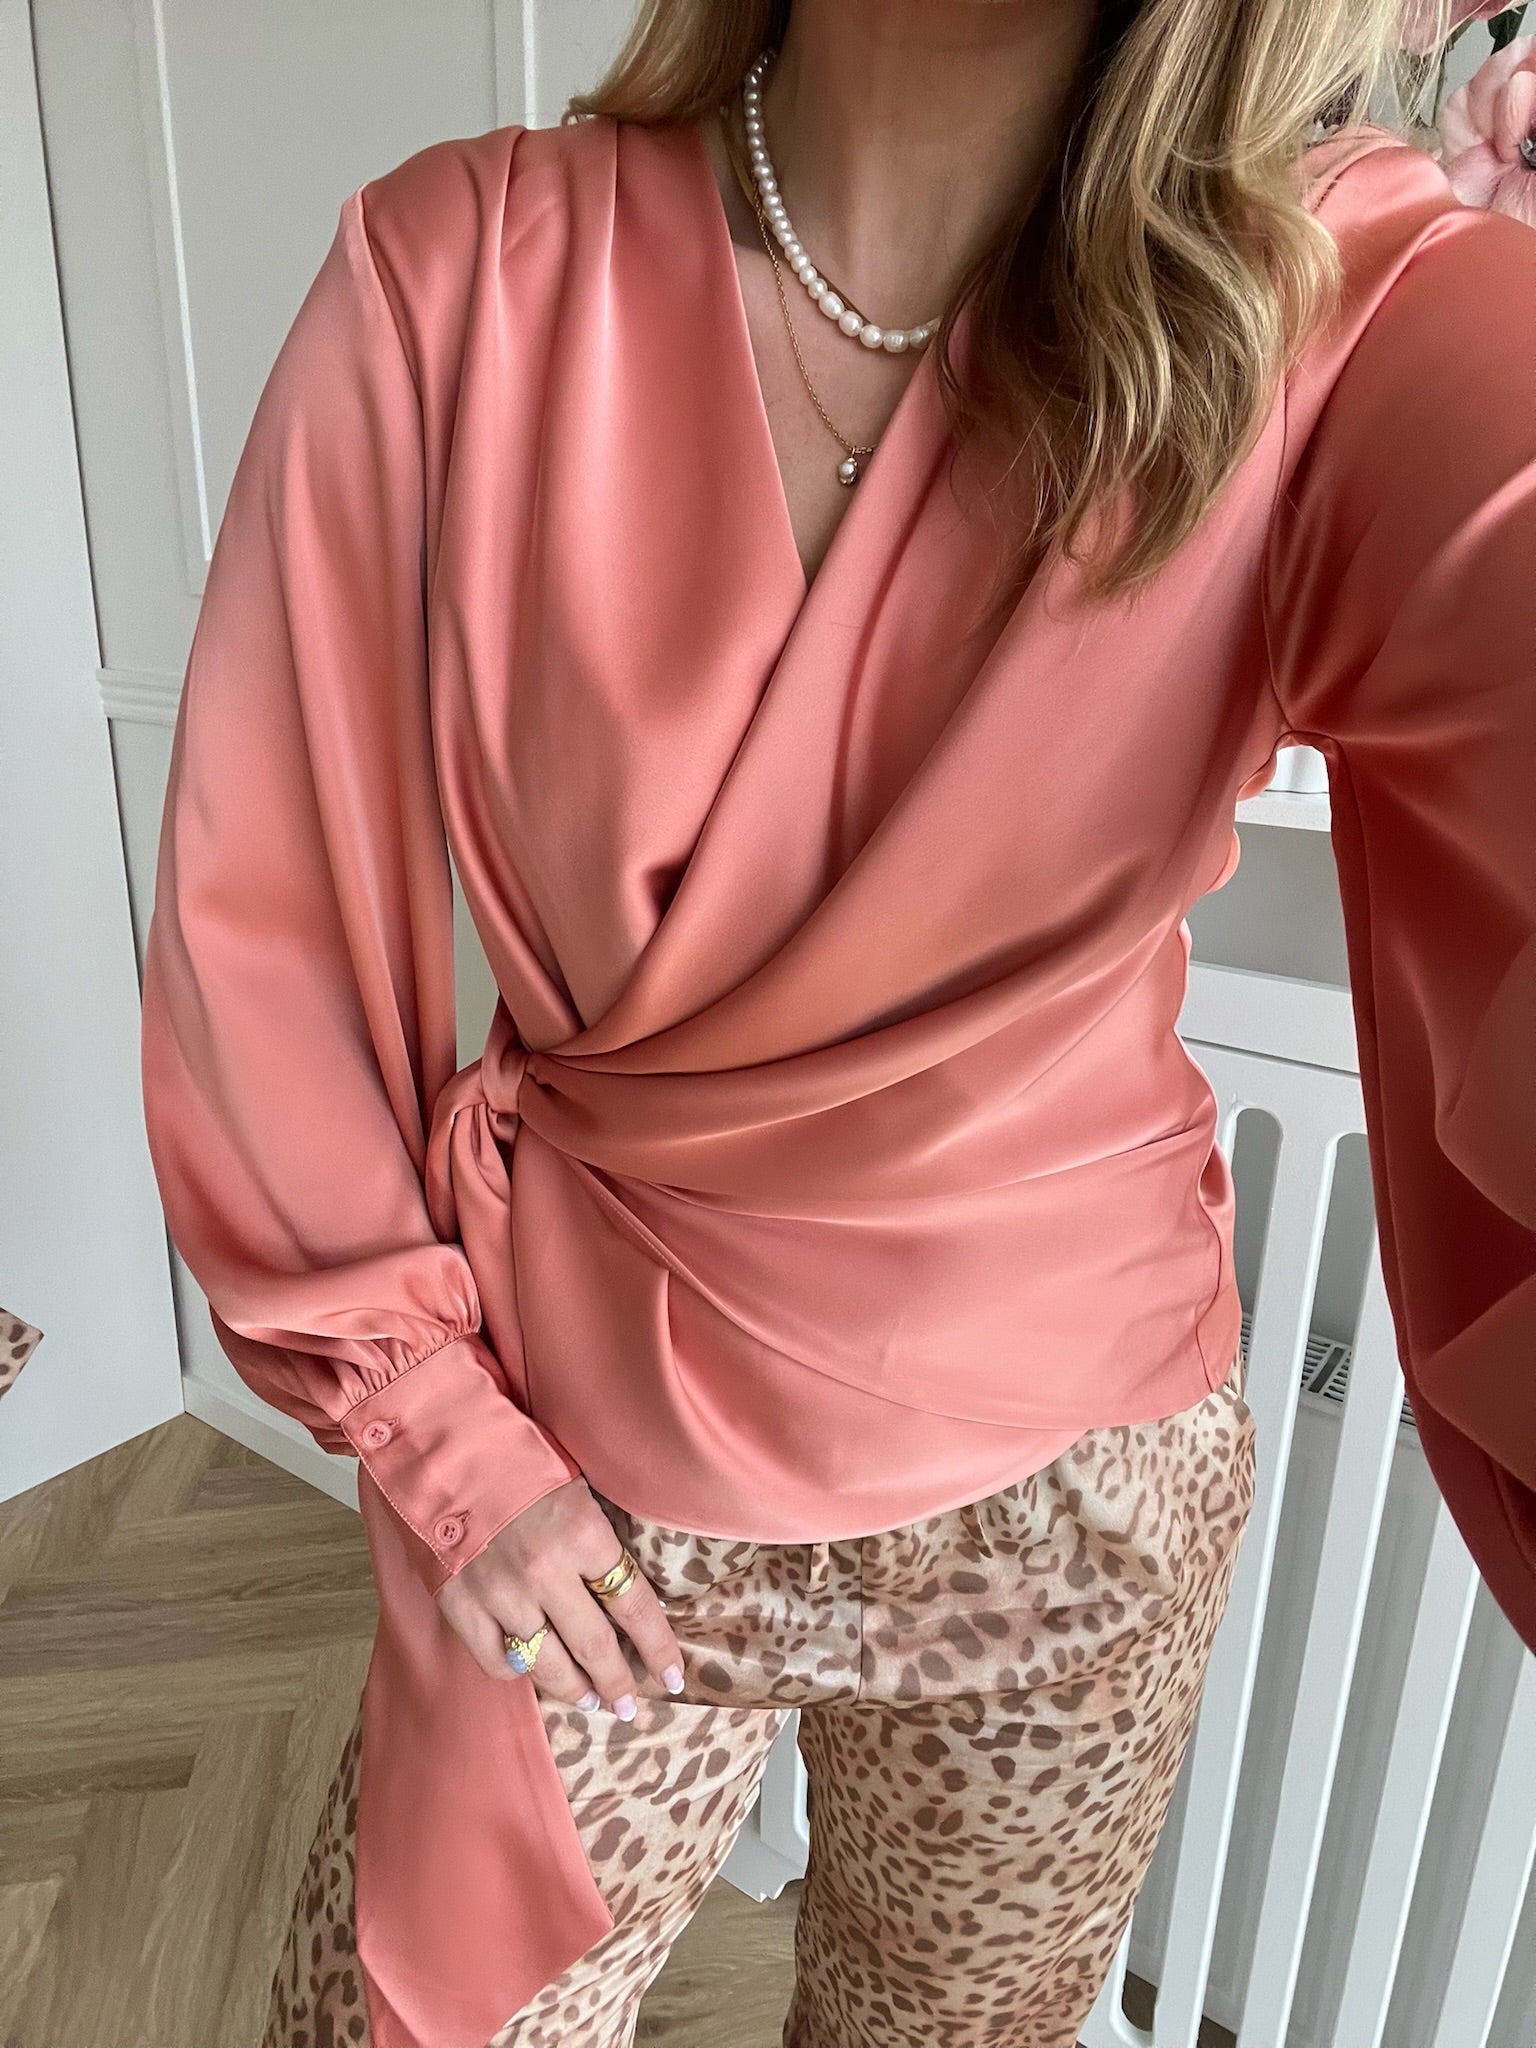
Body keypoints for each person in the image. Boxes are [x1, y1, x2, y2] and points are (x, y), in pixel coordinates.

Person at [136, 1, 1536, 2045]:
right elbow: (260, 909)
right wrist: (427, 1423)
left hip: (1075, 1492)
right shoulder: (463, 272)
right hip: (588, 1461)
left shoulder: (1335, 310)